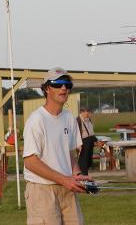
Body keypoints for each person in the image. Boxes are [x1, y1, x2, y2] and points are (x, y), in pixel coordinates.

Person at [23, 67, 91, 225]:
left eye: (67, 84)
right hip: (42, 190)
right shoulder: (36, 120)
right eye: (58, 83)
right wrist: (64, 179)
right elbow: (30, 162)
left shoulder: (69, 118)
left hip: (67, 190)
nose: (64, 88)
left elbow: (68, 154)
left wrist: (80, 178)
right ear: (46, 88)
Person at [76, 107, 97, 175]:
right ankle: (83, 175)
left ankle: (84, 174)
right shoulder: (78, 120)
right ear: (81, 112)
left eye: (88, 112)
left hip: (89, 141)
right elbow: (76, 133)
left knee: (88, 160)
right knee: (83, 160)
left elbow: (91, 132)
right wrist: (78, 144)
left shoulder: (88, 120)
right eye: (86, 112)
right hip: (83, 142)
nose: (87, 114)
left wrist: (95, 140)